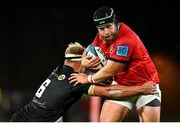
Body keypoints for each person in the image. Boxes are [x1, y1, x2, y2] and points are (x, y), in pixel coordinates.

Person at [10, 42, 157, 122]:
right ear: (80, 59)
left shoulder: (59, 69)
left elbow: (75, 70)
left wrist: (84, 65)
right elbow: (108, 92)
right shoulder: (76, 82)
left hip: (19, 117)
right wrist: (141, 89)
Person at [69, 6, 161, 122]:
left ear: (115, 23)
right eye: (101, 28)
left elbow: (110, 70)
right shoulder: (100, 36)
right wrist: (84, 62)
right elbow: (88, 51)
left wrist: (88, 78)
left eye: (108, 26)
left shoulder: (126, 39)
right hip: (122, 85)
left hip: (147, 86)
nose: (106, 32)